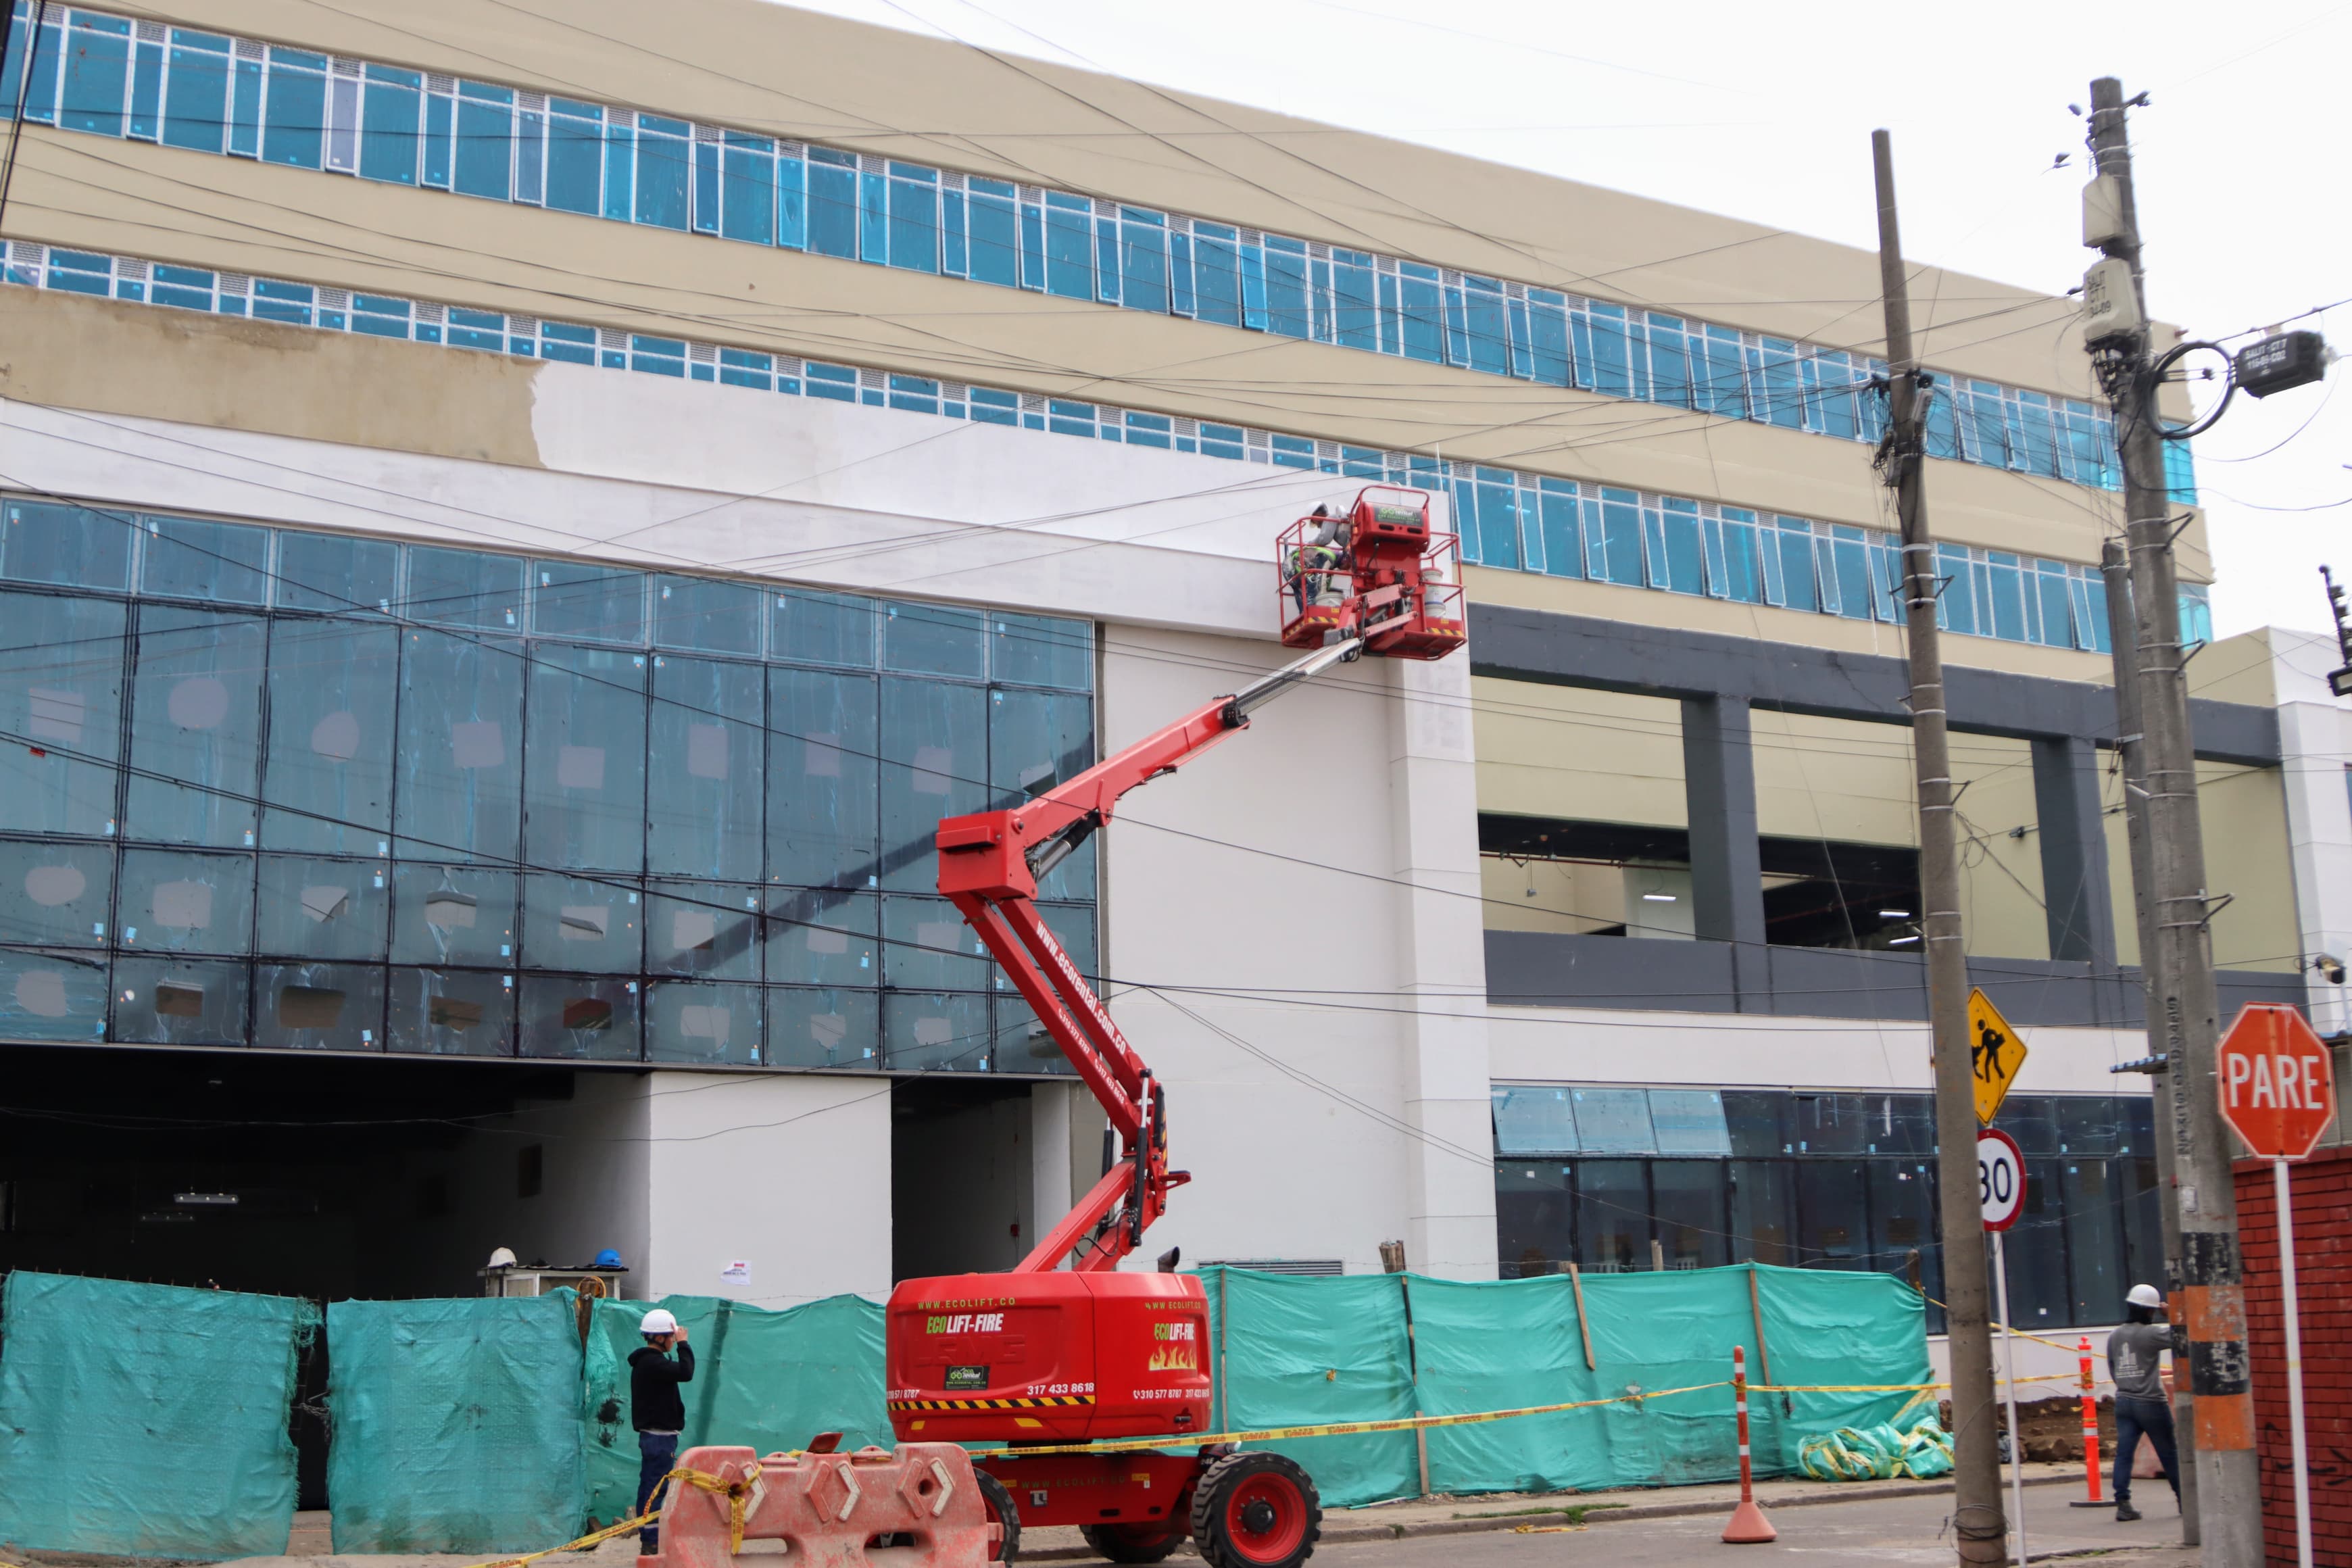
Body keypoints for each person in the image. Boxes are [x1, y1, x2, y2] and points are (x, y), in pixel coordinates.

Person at [2106, 1283, 2178, 1521]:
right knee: (2169, 1453)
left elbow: (2113, 1368)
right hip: (2150, 1403)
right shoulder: (2151, 1333)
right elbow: (2183, 1333)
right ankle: (2185, 1500)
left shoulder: (2115, 1336)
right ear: (2150, 1311)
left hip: (2124, 1401)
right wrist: (2174, 1314)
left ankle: (2123, 1503)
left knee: (2124, 1454)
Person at [631, 1308, 695, 1552]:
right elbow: (686, 1372)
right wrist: (684, 1345)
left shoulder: (650, 1363)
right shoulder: (651, 1363)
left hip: (658, 1437)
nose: (673, 1339)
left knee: (653, 1485)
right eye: (671, 1336)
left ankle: (651, 1537)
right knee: (654, 1488)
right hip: (658, 1438)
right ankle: (650, 1541)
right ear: (660, 1338)